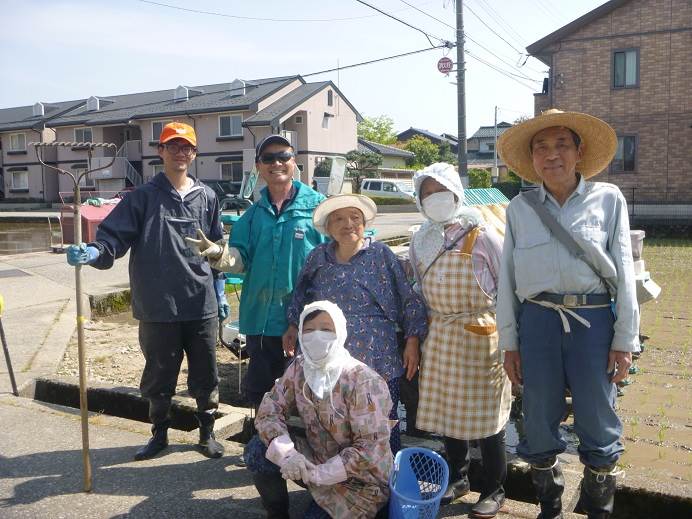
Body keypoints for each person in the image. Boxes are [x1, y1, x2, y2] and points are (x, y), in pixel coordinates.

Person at [496, 109, 639, 519]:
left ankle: (599, 505)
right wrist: (510, 343)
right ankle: (550, 503)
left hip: (594, 322)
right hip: (537, 322)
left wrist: (624, 340)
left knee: (598, 413)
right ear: (532, 158)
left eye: (561, 145)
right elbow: (506, 279)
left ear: (579, 152)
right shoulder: (520, 208)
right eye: (541, 147)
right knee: (538, 414)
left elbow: (625, 272)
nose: (551, 155)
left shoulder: (609, 199)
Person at [66, 122, 228, 460]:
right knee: (158, 375)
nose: (181, 152)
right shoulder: (142, 197)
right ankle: (159, 434)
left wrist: (221, 290)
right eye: (174, 146)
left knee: (206, 373)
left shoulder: (208, 197)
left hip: (201, 303)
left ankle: (206, 433)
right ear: (161, 151)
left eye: (187, 147)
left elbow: (218, 249)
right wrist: (95, 251)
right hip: (157, 305)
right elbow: (114, 237)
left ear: (194, 153)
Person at [186, 134, 326, 407]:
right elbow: (240, 259)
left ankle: (299, 448)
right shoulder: (252, 215)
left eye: (283, 156)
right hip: (261, 321)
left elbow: (332, 262)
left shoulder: (319, 208)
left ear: (294, 162)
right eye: (268, 158)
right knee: (259, 392)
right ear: (259, 166)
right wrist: (218, 253)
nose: (277, 162)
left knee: (305, 394)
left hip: (306, 322)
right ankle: (259, 445)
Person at [284, 194, 427, 454]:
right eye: (338, 219)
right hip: (329, 351)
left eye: (355, 217)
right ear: (328, 228)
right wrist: (294, 326)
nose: (347, 223)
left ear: (364, 223)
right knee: (333, 416)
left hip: (378, 354)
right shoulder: (318, 257)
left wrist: (413, 341)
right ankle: (337, 482)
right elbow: (301, 296)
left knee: (382, 418)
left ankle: (384, 482)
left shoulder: (381, 254)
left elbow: (407, 298)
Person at [408, 163, 511, 517]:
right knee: (450, 413)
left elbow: (508, 291)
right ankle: (459, 477)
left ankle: (495, 488)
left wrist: (514, 341)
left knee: (488, 417)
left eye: (441, 191)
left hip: (481, 337)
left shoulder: (483, 235)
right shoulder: (419, 239)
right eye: (427, 193)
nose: (435, 199)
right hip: (440, 334)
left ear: (456, 192)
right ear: (419, 200)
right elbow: (417, 289)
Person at [244, 300, 394, 519]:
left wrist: (319, 474)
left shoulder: (362, 380)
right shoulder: (299, 367)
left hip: (360, 482)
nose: (316, 336)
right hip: (314, 460)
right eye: (309, 329)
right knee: (258, 450)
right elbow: (270, 410)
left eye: (326, 329)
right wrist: (289, 456)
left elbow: (369, 450)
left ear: (340, 332)